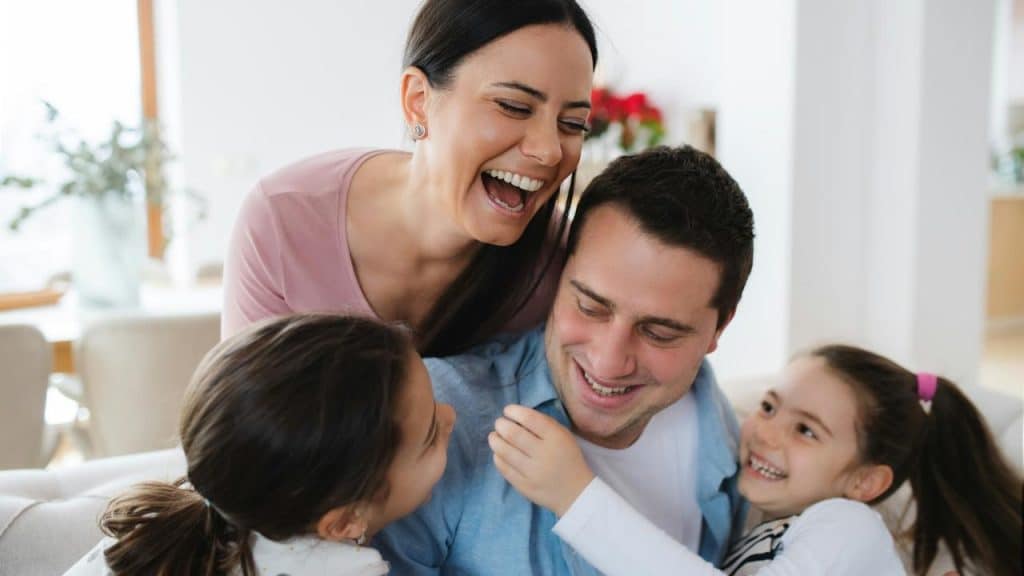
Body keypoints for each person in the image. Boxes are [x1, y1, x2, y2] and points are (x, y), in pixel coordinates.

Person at [375, 145, 756, 575]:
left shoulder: (717, 422)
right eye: (591, 307)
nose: (608, 362)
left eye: (659, 333)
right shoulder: (437, 419)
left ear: (719, 328)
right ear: (560, 275)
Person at [222, 0, 598, 356]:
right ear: (418, 100)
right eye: (514, 107)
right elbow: (241, 417)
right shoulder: (283, 219)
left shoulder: (560, 264)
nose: (549, 150)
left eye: (572, 124)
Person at [493, 344, 1024, 576]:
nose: (765, 432)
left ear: (865, 481)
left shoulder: (849, 525)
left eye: (806, 431)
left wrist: (575, 496)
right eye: (769, 406)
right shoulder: (768, 522)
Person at [64, 314, 456, 575]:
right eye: (430, 436)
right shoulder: (345, 571)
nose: (452, 415)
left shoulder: (147, 529)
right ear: (343, 522)